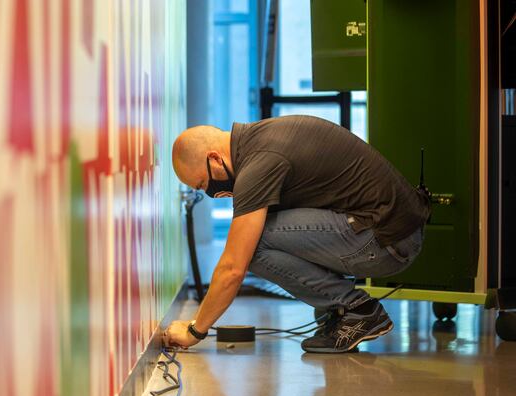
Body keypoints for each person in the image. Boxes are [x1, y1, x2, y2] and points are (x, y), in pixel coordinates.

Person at [164, 115, 431, 353]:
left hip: (388, 241)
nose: (210, 192)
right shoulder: (259, 140)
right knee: (259, 233)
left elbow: (234, 266)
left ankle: (357, 310)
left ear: (214, 159)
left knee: (253, 245)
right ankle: (338, 312)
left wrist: (195, 330)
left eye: (203, 183)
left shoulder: (259, 165)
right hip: (390, 231)